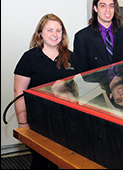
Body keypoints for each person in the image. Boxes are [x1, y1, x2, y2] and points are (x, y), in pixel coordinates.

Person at [14, 14, 80, 169]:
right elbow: (19, 93)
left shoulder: (71, 57)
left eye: (58, 31)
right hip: (38, 122)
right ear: (40, 33)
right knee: (40, 162)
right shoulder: (29, 58)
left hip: (66, 121)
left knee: (64, 162)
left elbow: (77, 90)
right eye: (50, 30)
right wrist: (23, 123)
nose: (54, 34)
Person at [74, 0, 123, 72]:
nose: (108, 10)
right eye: (103, 6)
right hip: (95, 84)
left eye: (111, 6)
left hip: (120, 83)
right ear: (95, 8)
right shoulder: (82, 37)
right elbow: (81, 71)